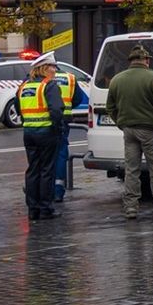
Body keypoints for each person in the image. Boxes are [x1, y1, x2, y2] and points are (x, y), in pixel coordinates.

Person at [105, 45, 153, 220]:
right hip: (152, 131)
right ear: (146, 61)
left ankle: (131, 208)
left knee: (131, 170)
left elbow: (110, 107)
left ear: (130, 61)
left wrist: (121, 122)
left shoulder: (117, 80)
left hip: (129, 131)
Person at [16, 59, 70, 221]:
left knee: (33, 170)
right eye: (53, 67)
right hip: (47, 132)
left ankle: (33, 209)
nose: (55, 70)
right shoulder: (49, 86)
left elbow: (19, 109)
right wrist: (57, 127)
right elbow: (57, 110)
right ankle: (46, 208)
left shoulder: (24, 86)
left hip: (29, 132)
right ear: (45, 69)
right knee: (47, 170)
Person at [49, 64, 89, 206]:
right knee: (61, 155)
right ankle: (58, 191)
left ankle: (44, 191)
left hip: (44, 122)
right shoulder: (70, 78)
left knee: (45, 157)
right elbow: (78, 99)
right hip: (64, 121)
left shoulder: (39, 79)